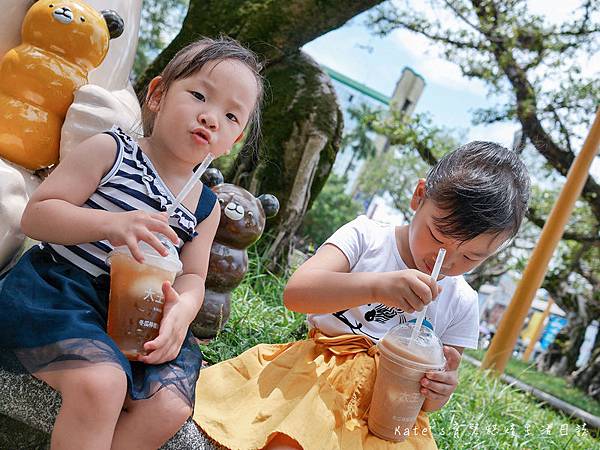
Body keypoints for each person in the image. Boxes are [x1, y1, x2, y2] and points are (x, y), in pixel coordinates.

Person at [0, 37, 264, 449]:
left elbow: (193, 275)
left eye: (231, 116)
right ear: (157, 95)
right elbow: (39, 214)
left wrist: (184, 310)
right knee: (103, 384)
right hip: (63, 296)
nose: (211, 118)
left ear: (234, 139)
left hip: (141, 315)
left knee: (170, 407)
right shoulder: (113, 150)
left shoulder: (205, 207)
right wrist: (112, 224)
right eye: (199, 95)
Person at [194, 142, 530, 450]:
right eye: (438, 236)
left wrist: (440, 388)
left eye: (471, 257)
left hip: (388, 415)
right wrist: (375, 286)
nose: (448, 260)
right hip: (316, 379)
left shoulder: (462, 302)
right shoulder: (366, 236)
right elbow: (296, 293)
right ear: (419, 196)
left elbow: (428, 398)